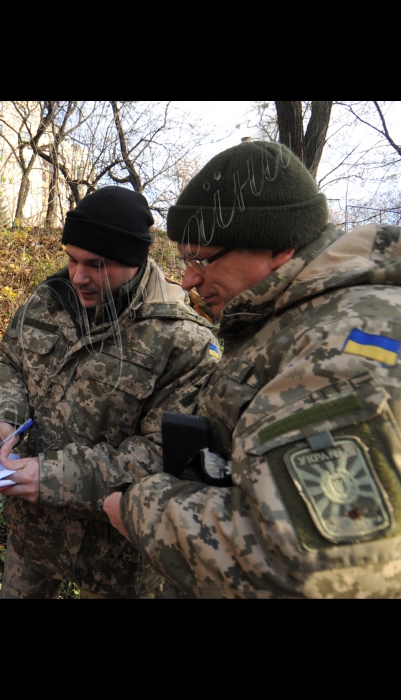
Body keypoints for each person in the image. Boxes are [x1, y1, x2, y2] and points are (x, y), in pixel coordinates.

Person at [103, 139, 401, 598]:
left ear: (278, 246)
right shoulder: (288, 318)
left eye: (201, 259)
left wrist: (141, 509)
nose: (187, 280)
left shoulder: (344, 341)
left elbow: (313, 568)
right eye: (184, 260)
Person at [0, 185, 220, 599]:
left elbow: (164, 453)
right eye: (71, 259)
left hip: (116, 555)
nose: (77, 276)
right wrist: (4, 414)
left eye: (96, 264)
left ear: (135, 261)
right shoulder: (46, 299)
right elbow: (8, 362)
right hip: (31, 535)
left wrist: (51, 476)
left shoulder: (183, 340)